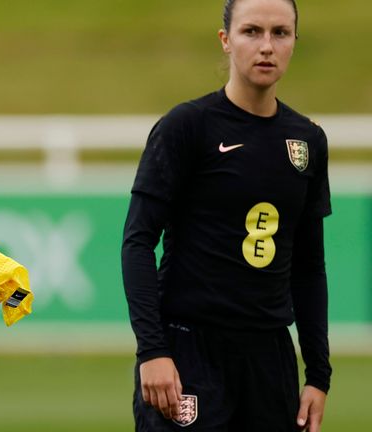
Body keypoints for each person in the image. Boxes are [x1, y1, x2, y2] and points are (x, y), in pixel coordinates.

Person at [121, 0, 331, 431]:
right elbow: (138, 241)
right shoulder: (187, 127)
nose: (267, 46)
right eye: (251, 31)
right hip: (189, 353)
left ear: (294, 41)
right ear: (226, 41)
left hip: (270, 360)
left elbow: (309, 267)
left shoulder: (307, 140)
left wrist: (318, 376)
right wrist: (153, 351)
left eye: (280, 33)